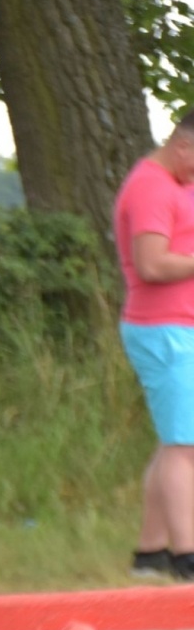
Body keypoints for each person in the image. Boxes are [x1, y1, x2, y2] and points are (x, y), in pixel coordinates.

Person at [115, 109, 194, 582]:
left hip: (179, 327)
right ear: (183, 145)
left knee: (175, 443)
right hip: (163, 330)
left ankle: (150, 553)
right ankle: (187, 555)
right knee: (186, 447)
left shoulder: (179, 185)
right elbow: (152, 264)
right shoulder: (152, 188)